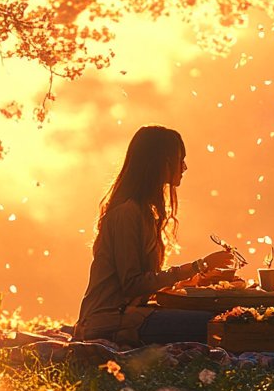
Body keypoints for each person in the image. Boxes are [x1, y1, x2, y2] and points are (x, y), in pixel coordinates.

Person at [72, 125, 239, 345]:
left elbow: (146, 282)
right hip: (110, 320)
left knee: (227, 316)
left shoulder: (145, 212)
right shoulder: (126, 213)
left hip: (131, 315)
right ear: (162, 163)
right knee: (216, 324)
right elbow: (132, 284)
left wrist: (196, 279)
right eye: (180, 159)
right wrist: (199, 265)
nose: (184, 167)